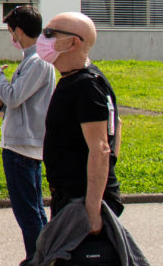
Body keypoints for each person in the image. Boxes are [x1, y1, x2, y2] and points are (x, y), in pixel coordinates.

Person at [0, 5, 54, 265]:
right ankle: (41, 255)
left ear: (19, 31)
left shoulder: (37, 62)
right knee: (32, 208)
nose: (11, 37)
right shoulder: (33, 61)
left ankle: (38, 258)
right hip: (26, 143)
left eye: (11, 31)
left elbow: (14, 97)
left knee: (27, 210)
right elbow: (16, 99)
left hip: (22, 145)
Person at [39, 12, 122, 232]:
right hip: (73, 197)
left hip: (81, 201)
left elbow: (101, 148)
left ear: (73, 42)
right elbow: (117, 126)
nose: (43, 38)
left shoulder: (85, 85)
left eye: (49, 33)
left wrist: (93, 210)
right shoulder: (81, 79)